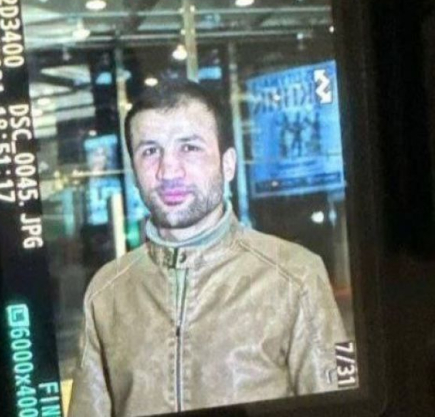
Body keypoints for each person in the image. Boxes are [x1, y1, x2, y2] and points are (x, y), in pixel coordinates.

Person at [68, 82, 346, 416]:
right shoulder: (106, 292)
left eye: (189, 147)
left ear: (228, 165)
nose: (169, 171)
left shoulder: (295, 275)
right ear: (134, 171)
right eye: (150, 151)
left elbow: (342, 405)